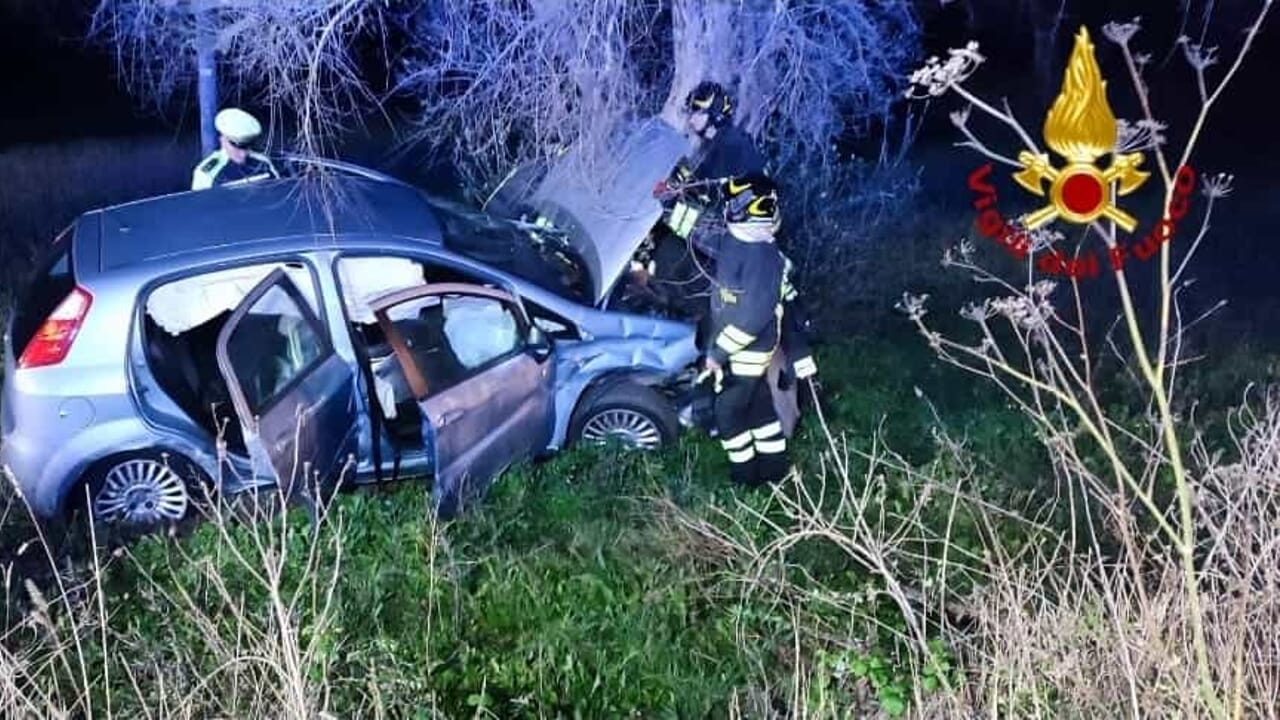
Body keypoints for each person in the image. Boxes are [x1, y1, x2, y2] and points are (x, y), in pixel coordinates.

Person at [698, 173, 790, 487]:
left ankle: (745, 479)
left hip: (749, 348)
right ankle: (774, 472)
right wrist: (670, 204)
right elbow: (702, 233)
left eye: (737, 202)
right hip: (740, 345)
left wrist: (718, 354)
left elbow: (752, 317)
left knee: (728, 412)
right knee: (758, 408)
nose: (730, 208)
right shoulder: (738, 238)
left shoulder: (763, 256)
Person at [191, 107, 280, 190]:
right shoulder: (207, 175)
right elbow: (199, 201)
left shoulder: (263, 163)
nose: (243, 154)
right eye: (237, 147)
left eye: (246, 147)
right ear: (223, 140)